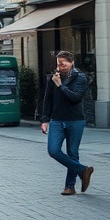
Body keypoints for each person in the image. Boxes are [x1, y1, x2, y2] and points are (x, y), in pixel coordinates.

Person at [41, 50, 94, 196]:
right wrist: (45, 120)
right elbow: (48, 99)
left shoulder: (81, 78)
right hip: (57, 120)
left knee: (72, 153)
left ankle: (69, 187)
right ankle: (83, 170)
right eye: (59, 64)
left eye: (63, 64)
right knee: (53, 150)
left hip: (75, 120)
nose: (61, 66)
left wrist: (60, 85)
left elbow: (75, 98)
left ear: (72, 63)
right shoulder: (53, 78)